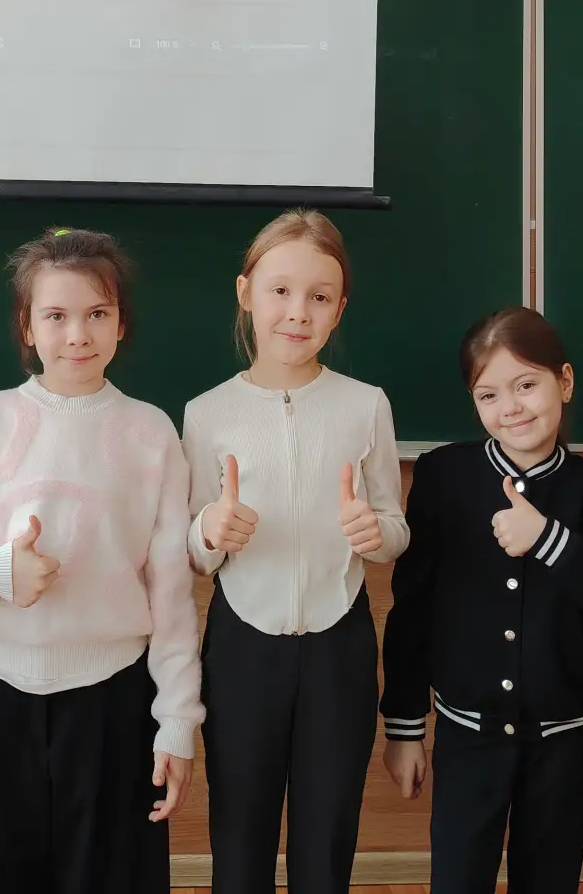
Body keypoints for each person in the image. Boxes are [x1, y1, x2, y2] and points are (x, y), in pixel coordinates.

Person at [0, 228, 202, 894]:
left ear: (121, 324)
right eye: (56, 315)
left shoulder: (151, 431)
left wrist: (177, 721)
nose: (77, 334)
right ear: (27, 326)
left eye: (97, 313)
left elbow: (170, 592)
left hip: (115, 703)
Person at [380, 306, 583, 894]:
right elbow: (412, 609)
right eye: (489, 394)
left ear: (564, 382)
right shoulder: (444, 476)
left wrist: (550, 540)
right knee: (457, 878)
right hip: (466, 733)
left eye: (527, 385)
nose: (512, 407)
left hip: (566, 738)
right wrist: (404, 728)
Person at [183, 210, 408, 894]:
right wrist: (209, 531)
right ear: (246, 293)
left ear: (339, 310)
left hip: (340, 645)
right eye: (280, 290)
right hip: (241, 646)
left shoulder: (365, 405)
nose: (297, 312)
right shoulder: (206, 412)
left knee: (327, 837)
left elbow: (394, 526)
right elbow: (192, 548)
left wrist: (377, 534)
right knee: (239, 835)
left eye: (319, 297)